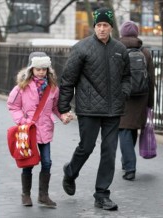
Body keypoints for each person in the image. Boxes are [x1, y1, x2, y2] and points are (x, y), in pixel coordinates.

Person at [57, 7, 131, 211]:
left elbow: (127, 76)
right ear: (94, 27)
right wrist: (63, 108)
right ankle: (70, 172)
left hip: (113, 109)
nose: (101, 29)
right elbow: (68, 80)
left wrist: (124, 92)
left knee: (109, 152)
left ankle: (101, 194)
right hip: (88, 108)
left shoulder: (120, 49)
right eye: (98, 25)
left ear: (111, 27)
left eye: (105, 25)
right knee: (86, 147)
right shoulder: (81, 48)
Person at [7, 51, 73, 207]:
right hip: (28, 130)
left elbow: (55, 107)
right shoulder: (21, 87)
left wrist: (62, 116)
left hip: (45, 129)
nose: (41, 72)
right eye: (38, 69)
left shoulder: (52, 88)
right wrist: (22, 120)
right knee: (28, 162)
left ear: (48, 70)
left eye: (44, 69)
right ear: (31, 69)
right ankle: (26, 195)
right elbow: (13, 106)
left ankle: (43, 195)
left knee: (47, 162)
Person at [118, 21, 155, 180]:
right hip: (141, 97)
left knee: (124, 130)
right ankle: (127, 162)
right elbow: (151, 79)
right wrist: (150, 103)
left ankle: (130, 167)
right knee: (131, 129)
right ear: (136, 33)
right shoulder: (145, 51)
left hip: (122, 96)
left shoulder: (116, 49)